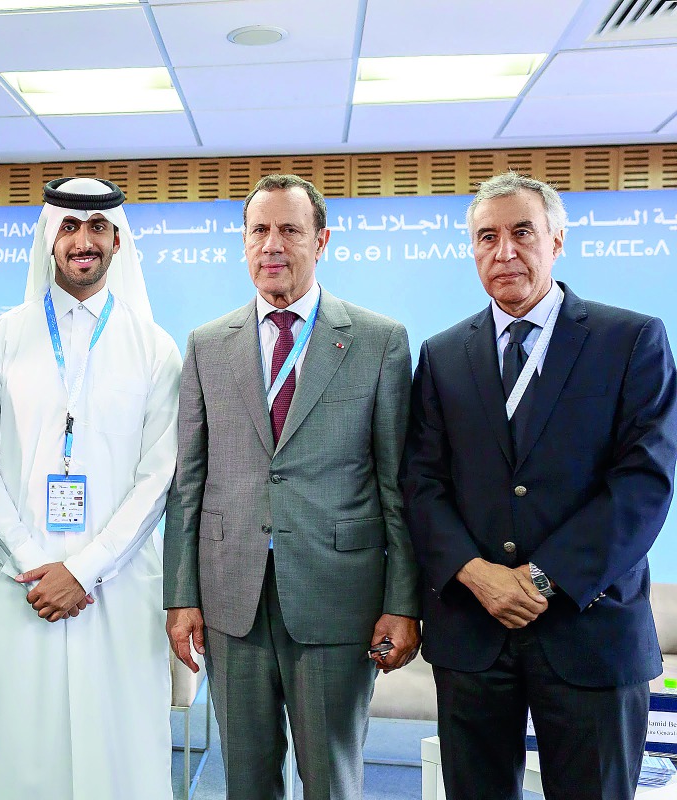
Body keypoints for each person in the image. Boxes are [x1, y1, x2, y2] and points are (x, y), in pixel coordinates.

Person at [401, 171, 677, 800]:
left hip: (590, 632)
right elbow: (422, 482)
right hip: (474, 634)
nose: (504, 252)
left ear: (557, 240)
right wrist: (478, 574)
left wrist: (541, 578)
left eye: (522, 233)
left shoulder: (630, 340)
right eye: (486, 237)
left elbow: (643, 483)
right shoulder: (444, 355)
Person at [164, 174, 420, 800]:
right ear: (244, 242)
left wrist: (404, 600)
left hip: (339, 595)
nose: (272, 245)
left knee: (331, 779)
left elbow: (398, 487)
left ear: (321, 240)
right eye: (259, 231)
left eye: (289, 230)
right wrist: (181, 595)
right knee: (245, 781)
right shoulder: (205, 346)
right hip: (232, 598)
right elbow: (188, 481)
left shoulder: (379, 342)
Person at [0, 177, 181, 800]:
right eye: (70, 227)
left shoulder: (155, 348)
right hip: (18, 584)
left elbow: (159, 473)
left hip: (117, 585)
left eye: (98, 228)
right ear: (49, 239)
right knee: (15, 746)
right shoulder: (1, 339)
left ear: (117, 241)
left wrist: (83, 570)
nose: (84, 242)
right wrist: (34, 562)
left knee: (118, 750)